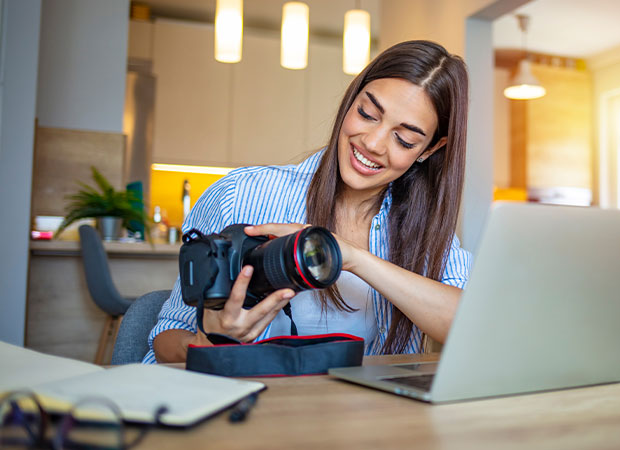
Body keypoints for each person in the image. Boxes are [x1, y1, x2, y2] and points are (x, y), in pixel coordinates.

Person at [144, 40, 472, 363]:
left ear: (428, 150)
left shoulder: (426, 232)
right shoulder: (241, 194)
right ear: (351, 101)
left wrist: (354, 257)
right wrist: (210, 343)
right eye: (367, 113)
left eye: (404, 139)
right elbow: (167, 340)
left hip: (371, 416)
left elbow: (469, 324)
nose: (373, 143)